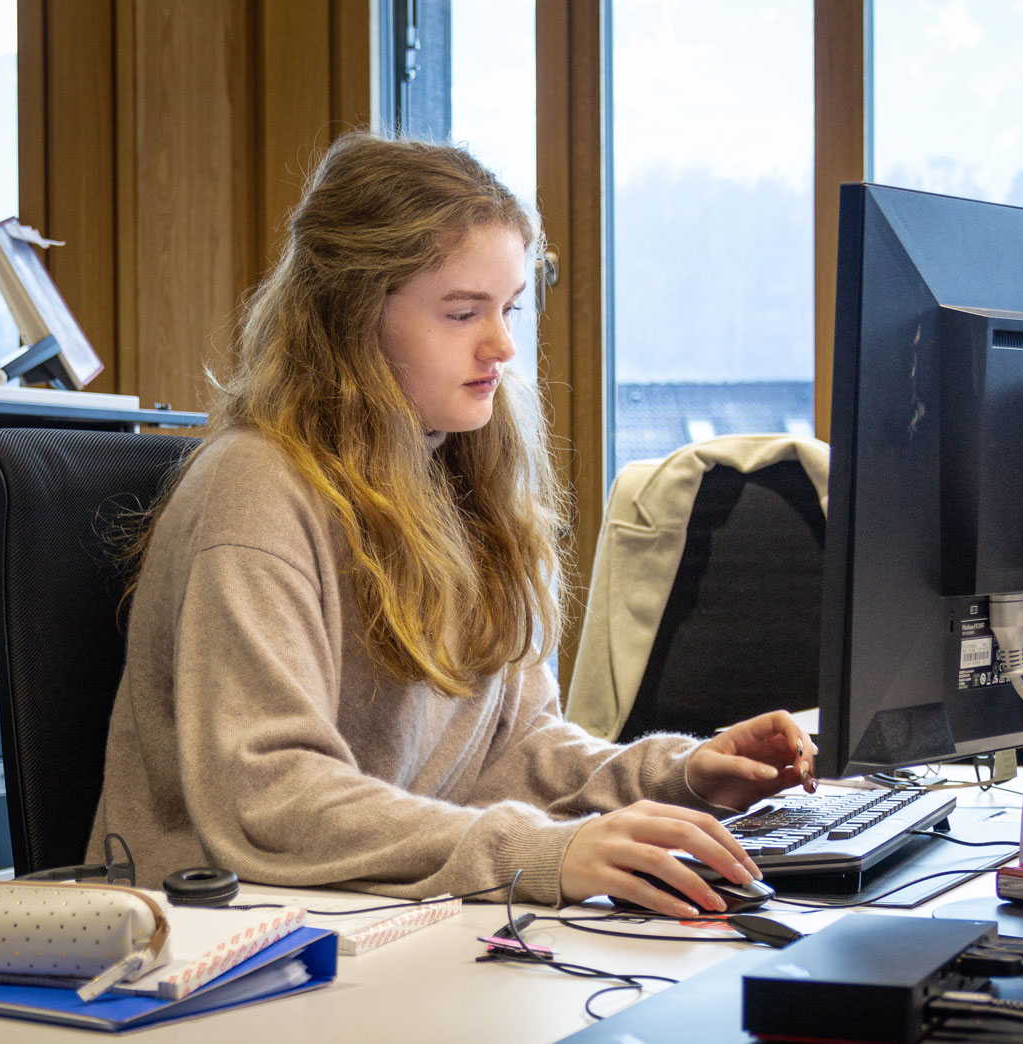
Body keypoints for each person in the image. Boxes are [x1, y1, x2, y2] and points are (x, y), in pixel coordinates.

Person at [89, 132, 816, 919]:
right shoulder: (256, 488)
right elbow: (268, 792)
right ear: (349, 317)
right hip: (212, 938)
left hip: (373, 914)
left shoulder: (458, 474)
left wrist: (680, 776)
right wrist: (539, 853)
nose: (501, 346)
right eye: (462, 312)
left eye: (506, 309)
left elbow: (512, 751)